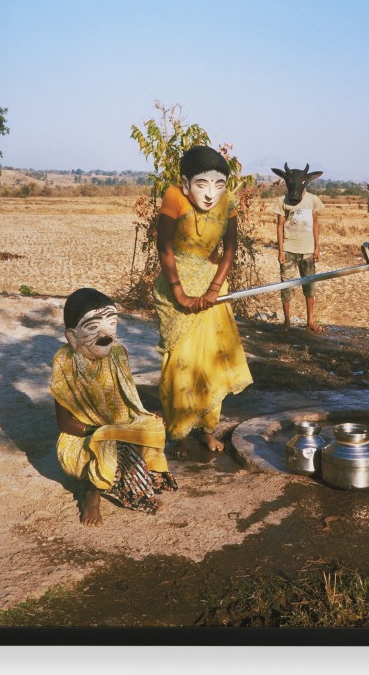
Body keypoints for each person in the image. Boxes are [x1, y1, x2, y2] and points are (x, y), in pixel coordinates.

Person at [153, 145, 253, 458]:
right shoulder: (174, 197)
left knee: (212, 360)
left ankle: (208, 429)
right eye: (202, 184)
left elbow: (230, 251)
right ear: (185, 183)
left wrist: (213, 289)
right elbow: (164, 248)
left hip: (213, 288)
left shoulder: (229, 204)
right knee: (180, 362)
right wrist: (179, 292)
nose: (211, 194)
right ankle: (180, 433)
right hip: (174, 286)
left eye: (219, 185)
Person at [50, 287, 177, 527]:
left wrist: (144, 415)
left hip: (121, 428)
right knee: (110, 446)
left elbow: (128, 394)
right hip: (85, 437)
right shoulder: (65, 361)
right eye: (94, 326)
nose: (106, 333)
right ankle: (92, 494)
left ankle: (129, 481)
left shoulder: (119, 353)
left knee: (152, 427)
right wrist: (104, 433)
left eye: (111, 323)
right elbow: (65, 423)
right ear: (72, 336)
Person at [271, 163, 325, 334]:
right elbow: (279, 226)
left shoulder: (313, 200)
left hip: (308, 251)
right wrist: (280, 250)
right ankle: (287, 322)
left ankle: (310, 321)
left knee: (310, 287)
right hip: (288, 250)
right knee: (286, 286)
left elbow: (316, 223)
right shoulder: (282, 201)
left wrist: (317, 247)